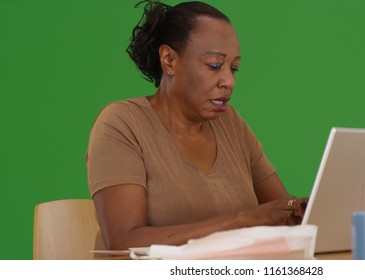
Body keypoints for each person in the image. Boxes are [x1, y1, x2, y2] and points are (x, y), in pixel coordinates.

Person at [86, 0, 306, 250]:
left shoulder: (230, 122)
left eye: (234, 69)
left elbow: (282, 211)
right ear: (169, 60)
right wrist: (243, 220)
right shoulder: (122, 124)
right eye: (214, 65)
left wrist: (302, 211)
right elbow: (123, 240)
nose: (228, 82)